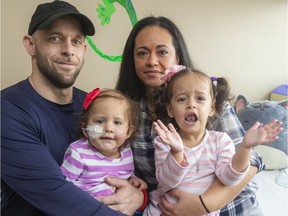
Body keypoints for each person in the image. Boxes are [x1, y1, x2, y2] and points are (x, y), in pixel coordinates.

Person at [1, 1, 145, 215]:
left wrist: (140, 197)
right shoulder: (9, 111)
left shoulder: (95, 107)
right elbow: (57, 195)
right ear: (31, 44)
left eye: (76, 41)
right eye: (55, 38)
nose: (68, 50)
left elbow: (126, 169)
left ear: (84, 49)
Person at [115, 16, 266, 216]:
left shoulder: (205, 99)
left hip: (236, 208)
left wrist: (204, 204)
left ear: (176, 58)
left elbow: (252, 161)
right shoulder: (125, 112)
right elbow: (121, 166)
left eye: (162, 52)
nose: (151, 61)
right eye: (142, 53)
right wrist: (137, 194)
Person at [142, 67, 282, 216]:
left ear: (211, 108)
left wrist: (245, 148)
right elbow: (166, 181)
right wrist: (176, 152)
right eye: (182, 99)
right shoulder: (165, 141)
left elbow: (229, 178)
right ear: (170, 109)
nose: (191, 104)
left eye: (200, 98)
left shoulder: (220, 140)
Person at [61, 88, 147, 198]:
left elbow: (125, 174)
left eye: (117, 122)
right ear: (85, 128)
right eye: (100, 121)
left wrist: (132, 179)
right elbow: (62, 186)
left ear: (128, 132)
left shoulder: (126, 151)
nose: (108, 128)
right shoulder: (78, 153)